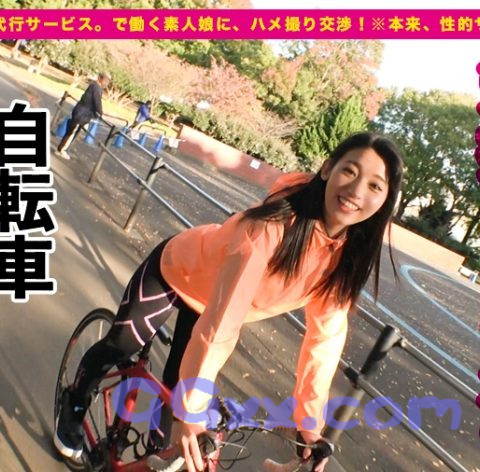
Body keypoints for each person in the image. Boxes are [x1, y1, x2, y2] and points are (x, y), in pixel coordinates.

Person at [54, 132, 404, 472]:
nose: (357, 191)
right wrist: (192, 411)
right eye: (350, 171)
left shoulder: (346, 258)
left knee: (176, 401)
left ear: (387, 199)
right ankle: (75, 401)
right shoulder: (270, 228)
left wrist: (309, 426)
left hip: (211, 306)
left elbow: (324, 343)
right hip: (178, 271)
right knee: (122, 346)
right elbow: (222, 325)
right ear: (327, 168)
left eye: (375, 186)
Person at [55, 72, 110, 160]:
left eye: (108, 81)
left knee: (71, 131)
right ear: (100, 78)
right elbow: (97, 103)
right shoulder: (96, 87)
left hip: (80, 112)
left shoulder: (94, 85)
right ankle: (61, 150)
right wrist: (101, 113)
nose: (106, 83)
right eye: (106, 80)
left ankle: (61, 149)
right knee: (71, 132)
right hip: (82, 114)